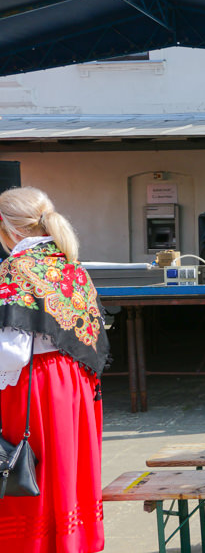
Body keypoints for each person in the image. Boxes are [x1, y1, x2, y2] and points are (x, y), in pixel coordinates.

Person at [0, 187, 110, 553]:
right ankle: (70, 543)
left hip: (35, 383)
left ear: (7, 227)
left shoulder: (16, 268)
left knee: (28, 472)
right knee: (66, 472)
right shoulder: (71, 265)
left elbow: (10, 352)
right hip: (75, 383)